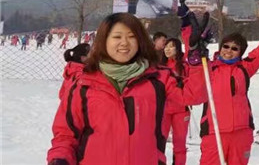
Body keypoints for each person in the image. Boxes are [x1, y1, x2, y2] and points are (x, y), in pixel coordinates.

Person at [47, 13, 184, 165]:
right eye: (117, 37)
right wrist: (60, 158)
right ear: (104, 40)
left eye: (131, 36)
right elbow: (66, 134)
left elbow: (192, 95)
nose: (124, 43)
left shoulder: (160, 79)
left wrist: (195, 55)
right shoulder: (83, 83)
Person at [181, 1, 259, 165]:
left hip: (241, 132)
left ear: (240, 52)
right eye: (226, 46)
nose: (228, 51)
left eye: (234, 48)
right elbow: (192, 61)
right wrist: (188, 31)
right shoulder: (208, 68)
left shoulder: (245, 68)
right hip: (214, 132)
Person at [162, 37, 190, 165]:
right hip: (164, 109)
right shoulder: (160, 66)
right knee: (159, 141)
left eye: (171, 46)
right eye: (166, 46)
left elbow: (191, 83)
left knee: (179, 143)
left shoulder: (184, 65)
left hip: (181, 109)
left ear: (178, 48)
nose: (167, 49)